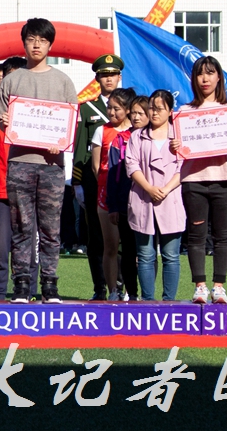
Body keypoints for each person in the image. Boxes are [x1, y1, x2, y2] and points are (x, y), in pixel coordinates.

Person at [0, 18, 78, 304]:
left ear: (50, 45)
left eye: (42, 40)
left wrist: (61, 139)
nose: (36, 45)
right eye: (31, 39)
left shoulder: (63, 82)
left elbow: (71, 124)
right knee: (21, 226)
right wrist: (6, 123)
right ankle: (21, 284)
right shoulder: (11, 80)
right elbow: (2, 121)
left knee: (51, 229)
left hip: (52, 165)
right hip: (20, 162)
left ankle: (50, 285)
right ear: (24, 42)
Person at [170, 56, 227, 304]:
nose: (205, 78)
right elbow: (178, 148)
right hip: (193, 181)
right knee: (196, 235)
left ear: (219, 78)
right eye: (200, 73)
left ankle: (219, 287)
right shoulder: (184, 113)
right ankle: (200, 287)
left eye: (210, 73)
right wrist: (175, 146)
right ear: (193, 79)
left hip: (224, 180)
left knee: (222, 235)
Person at [0, 57, 36, 301]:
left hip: (30, 190)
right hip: (0, 190)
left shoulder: (37, 109)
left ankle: (29, 293)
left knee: (29, 247)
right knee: (0, 247)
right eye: (10, 77)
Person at [72, 53, 123, 300]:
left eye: (112, 75)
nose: (108, 79)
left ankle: (121, 285)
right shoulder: (87, 109)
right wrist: (78, 183)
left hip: (122, 181)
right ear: (97, 79)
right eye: (104, 75)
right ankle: (100, 287)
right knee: (96, 237)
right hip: (93, 181)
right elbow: (80, 147)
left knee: (122, 235)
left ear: (119, 77)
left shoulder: (130, 107)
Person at [125, 90, 185, 301]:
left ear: (170, 111)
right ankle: (148, 301)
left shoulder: (178, 136)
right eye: (151, 108)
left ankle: (169, 301)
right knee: (145, 255)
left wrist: (166, 189)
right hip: (143, 198)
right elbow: (131, 165)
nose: (154, 113)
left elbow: (184, 167)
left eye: (159, 109)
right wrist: (149, 188)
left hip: (171, 199)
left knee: (171, 255)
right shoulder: (137, 136)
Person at [91, 88, 135, 301]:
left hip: (132, 194)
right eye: (109, 107)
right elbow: (96, 166)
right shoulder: (101, 130)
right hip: (106, 193)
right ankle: (113, 291)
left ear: (128, 109)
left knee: (132, 247)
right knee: (110, 245)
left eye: (117, 108)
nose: (111, 112)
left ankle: (132, 290)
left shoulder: (137, 131)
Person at [102, 93, 147, 301]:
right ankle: (132, 293)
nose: (136, 117)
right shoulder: (120, 140)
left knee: (147, 252)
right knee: (128, 250)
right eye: (134, 113)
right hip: (125, 203)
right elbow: (112, 175)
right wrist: (113, 206)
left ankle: (149, 295)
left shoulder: (160, 138)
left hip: (151, 202)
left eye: (141, 113)